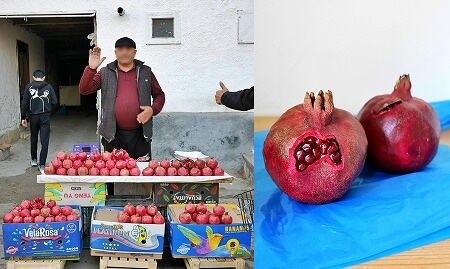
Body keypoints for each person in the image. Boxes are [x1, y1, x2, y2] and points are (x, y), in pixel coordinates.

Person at [79, 37, 166, 161]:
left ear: (134, 52)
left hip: (140, 134)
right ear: (115, 52)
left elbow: (160, 95)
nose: (124, 52)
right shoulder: (105, 72)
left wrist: (152, 110)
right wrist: (91, 69)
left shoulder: (146, 72)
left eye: (128, 49)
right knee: (111, 172)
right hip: (112, 135)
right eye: (120, 49)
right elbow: (84, 90)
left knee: (142, 173)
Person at [21, 69, 58, 170]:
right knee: (44, 140)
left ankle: (33, 160)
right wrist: (48, 109)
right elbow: (55, 101)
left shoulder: (28, 87)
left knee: (33, 138)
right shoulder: (49, 87)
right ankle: (42, 164)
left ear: (33, 77)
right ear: (44, 78)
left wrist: (23, 117)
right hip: (45, 116)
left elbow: (24, 103)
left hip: (33, 117)